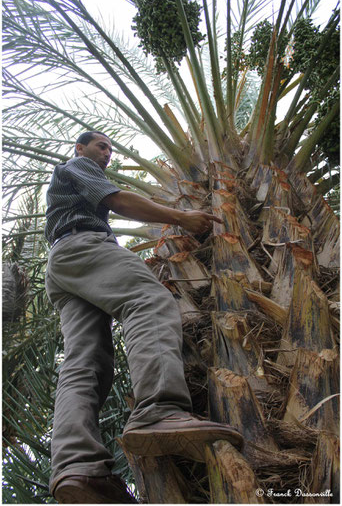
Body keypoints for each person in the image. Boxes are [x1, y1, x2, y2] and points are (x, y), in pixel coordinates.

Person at [44, 131, 243, 503]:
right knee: (149, 300)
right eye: (101, 146)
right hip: (84, 245)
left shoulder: (72, 181)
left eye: (110, 148)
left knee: (84, 362)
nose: (106, 153)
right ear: (80, 147)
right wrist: (182, 217)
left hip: (63, 265)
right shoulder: (77, 166)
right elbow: (116, 200)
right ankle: (159, 409)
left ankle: (76, 467)